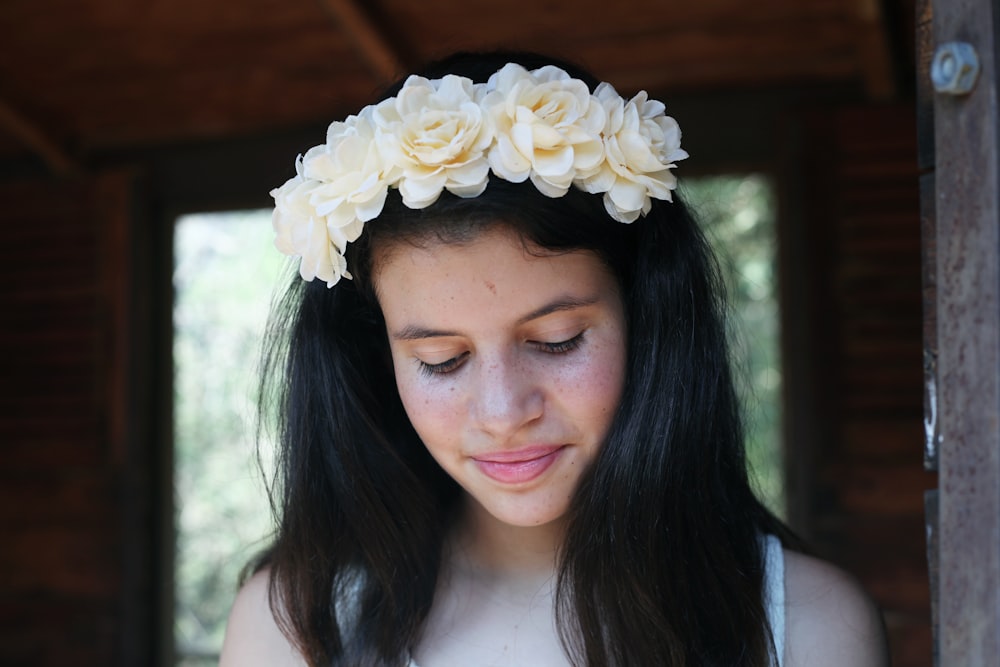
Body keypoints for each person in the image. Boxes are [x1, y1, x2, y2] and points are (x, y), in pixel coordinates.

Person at [219, 51, 888, 667]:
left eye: (557, 341)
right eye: (443, 360)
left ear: (646, 320)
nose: (504, 411)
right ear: (376, 358)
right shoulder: (291, 630)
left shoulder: (805, 624)